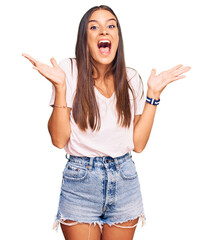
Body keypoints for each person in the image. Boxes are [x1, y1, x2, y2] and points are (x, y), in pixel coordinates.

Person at [22, 5, 191, 240]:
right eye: (94, 27)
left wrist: (154, 94)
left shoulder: (131, 79)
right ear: (85, 38)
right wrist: (60, 88)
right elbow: (59, 139)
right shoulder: (69, 71)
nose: (104, 31)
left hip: (125, 180)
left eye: (111, 25)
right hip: (81, 182)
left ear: (117, 37)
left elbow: (138, 144)